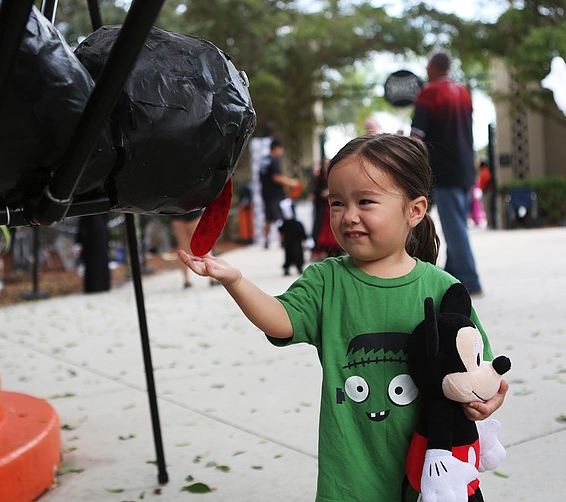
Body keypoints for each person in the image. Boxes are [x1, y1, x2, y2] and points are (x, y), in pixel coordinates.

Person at [179, 134, 507, 501]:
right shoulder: (327, 280)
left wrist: (488, 400)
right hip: (351, 474)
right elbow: (281, 319)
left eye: (365, 201)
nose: (348, 216)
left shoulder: (443, 288)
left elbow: (479, 367)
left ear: (414, 210)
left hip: (432, 469)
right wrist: (235, 280)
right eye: (337, 203)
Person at [411, 50, 483, 295]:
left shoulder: (429, 93)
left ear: (432, 67)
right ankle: (452, 279)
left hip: (444, 169)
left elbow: (417, 135)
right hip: (465, 169)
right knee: (457, 227)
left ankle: (470, 281)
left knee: (455, 230)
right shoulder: (463, 92)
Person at [259, 140, 303, 249]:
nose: (281, 151)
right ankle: (283, 240)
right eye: (281, 149)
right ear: (276, 148)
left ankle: (266, 240)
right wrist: (291, 182)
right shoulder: (274, 160)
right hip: (275, 194)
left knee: (268, 218)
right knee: (281, 218)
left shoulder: (264, 160)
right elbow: (276, 177)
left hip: (266, 193)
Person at [477, 159, 494, 227]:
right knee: (487, 208)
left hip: (487, 191)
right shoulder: (484, 170)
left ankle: (490, 223)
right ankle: (490, 222)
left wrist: (485, 187)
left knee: (487, 208)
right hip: (486, 191)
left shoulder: (485, 170)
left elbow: (487, 179)